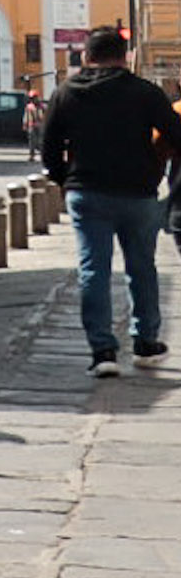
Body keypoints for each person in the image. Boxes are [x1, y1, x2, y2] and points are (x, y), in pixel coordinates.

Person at [41, 26, 181, 377]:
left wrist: (65, 180)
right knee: (142, 268)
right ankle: (146, 342)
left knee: (93, 269)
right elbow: (177, 133)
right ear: (126, 57)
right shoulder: (146, 93)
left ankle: (102, 351)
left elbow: (49, 149)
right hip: (138, 193)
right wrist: (156, 167)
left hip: (87, 192)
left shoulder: (65, 93)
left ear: (87, 56)